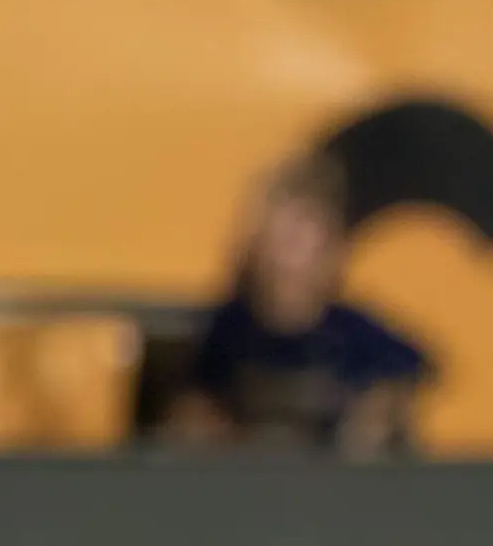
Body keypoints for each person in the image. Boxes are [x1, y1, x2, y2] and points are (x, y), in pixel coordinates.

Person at [167, 154, 426, 457]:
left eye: (304, 240)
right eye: (282, 239)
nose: (291, 261)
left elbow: (403, 376)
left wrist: (376, 416)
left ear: (331, 250)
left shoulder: (355, 335)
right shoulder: (228, 331)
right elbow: (193, 408)